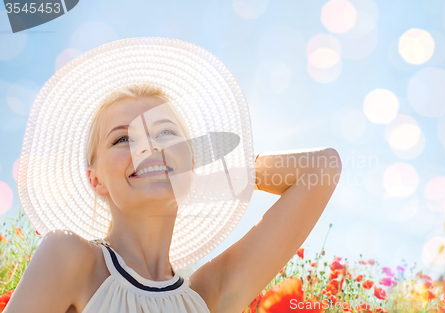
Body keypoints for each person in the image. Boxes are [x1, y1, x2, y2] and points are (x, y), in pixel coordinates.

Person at [7, 38, 341, 313]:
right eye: (123, 138)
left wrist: (194, 176)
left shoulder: (208, 295)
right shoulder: (70, 259)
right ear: (94, 179)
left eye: (164, 134)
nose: (148, 148)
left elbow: (322, 167)